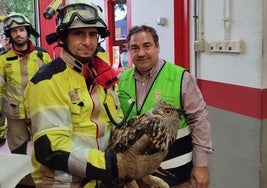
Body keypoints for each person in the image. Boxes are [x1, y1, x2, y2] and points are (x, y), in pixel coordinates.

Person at [24, 1, 167, 187]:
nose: (88, 42)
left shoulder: (102, 77)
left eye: (93, 34)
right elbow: (52, 148)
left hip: (101, 180)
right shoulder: (47, 80)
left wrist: (134, 170)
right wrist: (117, 165)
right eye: (78, 33)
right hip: (64, 183)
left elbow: (114, 123)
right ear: (63, 37)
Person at [118, 25, 214, 188]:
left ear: (157, 47)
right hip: (134, 176)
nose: (141, 53)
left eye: (147, 46)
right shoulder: (122, 80)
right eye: (135, 48)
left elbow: (199, 120)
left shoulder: (181, 77)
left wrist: (201, 165)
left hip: (175, 175)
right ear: (129, 51)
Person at [0, 12, 52, 153]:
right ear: (9, 35)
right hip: (15, 114)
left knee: (45, 151)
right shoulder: (3, 59)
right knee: (18, 152)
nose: (18, 34)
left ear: (27, 31)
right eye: (14, 31)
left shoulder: (42, 55)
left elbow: (53, 85)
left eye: (22, 29)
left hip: (39, 112)